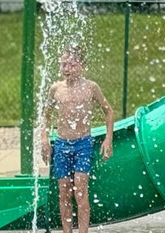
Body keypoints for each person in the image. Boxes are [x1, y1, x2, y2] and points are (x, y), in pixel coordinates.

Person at [41, 46, 114, 233]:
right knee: (64, 192)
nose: (66, 68)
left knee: (80, 191)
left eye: (71, 64)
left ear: (82, 66)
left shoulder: (91, 87)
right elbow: (45, 115)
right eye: (63, 64)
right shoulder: (56, 89)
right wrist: (44, 139)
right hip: (62, 144)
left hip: (83, 144)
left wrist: (108, 139)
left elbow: (108, 111)